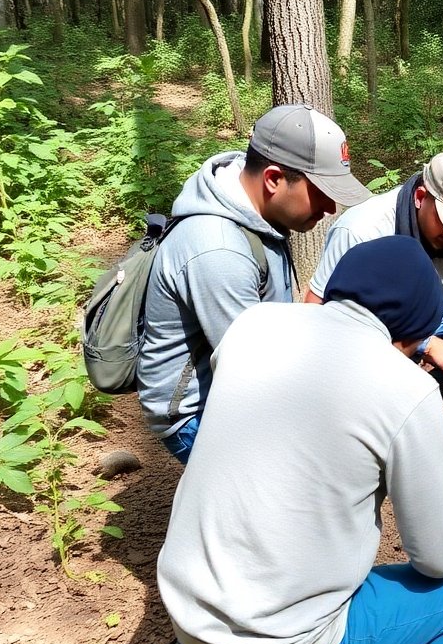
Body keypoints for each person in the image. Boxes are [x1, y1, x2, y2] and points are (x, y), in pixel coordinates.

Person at [158, 235, 443, 644]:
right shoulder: (405, 388)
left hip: (187, 614)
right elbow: (436, 559)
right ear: (412, 334)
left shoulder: (253, 324)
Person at [138, 104, 371, 463]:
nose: (330, 209)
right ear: (274, 179)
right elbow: (254, 368)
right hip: (196, 412)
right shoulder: (218, 248)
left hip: (233, 384)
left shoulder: (255, 211)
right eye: (321, 191)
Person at [304, 150, 443, 406]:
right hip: (363, 328)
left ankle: (427, 381)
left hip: (420, 315)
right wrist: (429, 345)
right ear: (421, 197)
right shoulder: (362, 229)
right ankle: (375, 391)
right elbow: (315, 305)